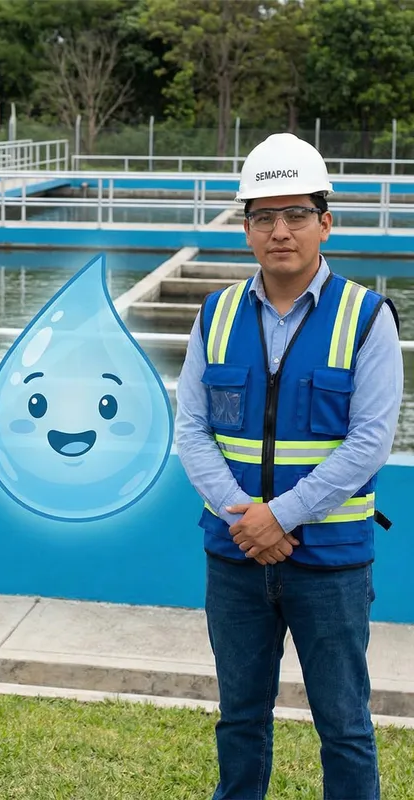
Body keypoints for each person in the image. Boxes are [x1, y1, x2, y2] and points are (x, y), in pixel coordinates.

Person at [175, 133, 403, 799]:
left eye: (297, 214)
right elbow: (190, 430)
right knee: (240, 720)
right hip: (235, 557)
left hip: (330, 563)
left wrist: (281, 515)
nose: (281, 231)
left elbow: (370, 443)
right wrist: (246, 517)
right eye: (264, 216)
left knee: (345, 725)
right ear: (246, 229)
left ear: (325, 222)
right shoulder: (214, 315)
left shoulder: (366, 317)